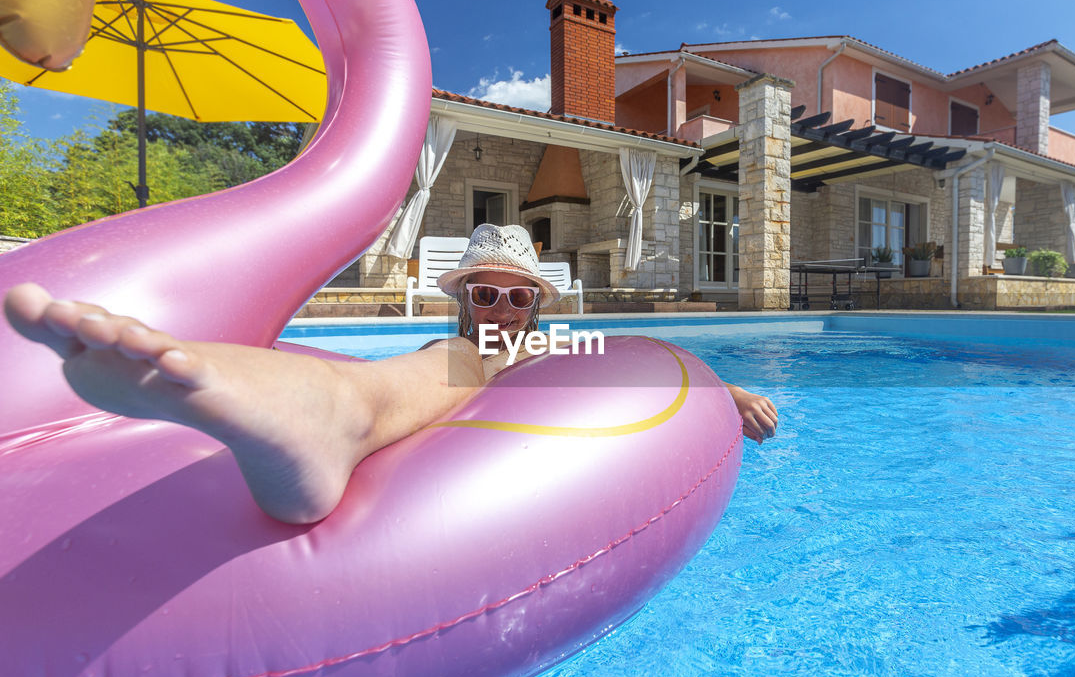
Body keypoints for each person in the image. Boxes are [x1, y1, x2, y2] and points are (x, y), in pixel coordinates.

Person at [3, 224, 778, 525]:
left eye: (516, 296)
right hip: (441, 380)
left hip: (500, 404)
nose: (502, 308)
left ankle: (320, 415)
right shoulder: (465, 348)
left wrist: (724, 390)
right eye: (485, 294)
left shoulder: (548, 348)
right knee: (425, 372)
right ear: (467, 299)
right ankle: (315, 413)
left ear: (537, 306)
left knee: (458, 367)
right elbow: (445, 362)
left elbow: (644, 358)